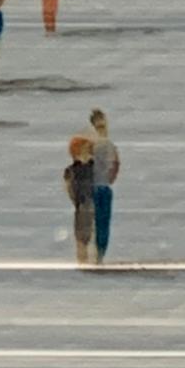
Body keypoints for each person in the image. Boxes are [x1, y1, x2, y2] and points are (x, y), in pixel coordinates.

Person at [90, 108, 120, 263]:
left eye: (104, 125)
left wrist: (111, 177)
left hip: (104, 187)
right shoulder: (91, 145)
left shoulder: (110, 145)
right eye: (99, 126)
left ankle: (100, 254)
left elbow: (116, 163)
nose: (102, 128)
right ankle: (96, 253)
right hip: (95, 187)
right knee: (96, 222)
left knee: (103, 222)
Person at [64, 136, 96, 265]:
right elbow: (70, 189)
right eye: (85, 150)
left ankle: (93, 260)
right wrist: (77, 201)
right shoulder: (72, 170)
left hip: (92, 203)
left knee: (93, 233)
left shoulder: (94, 168)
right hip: (83, 205)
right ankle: (83, 260)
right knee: (82, 236)